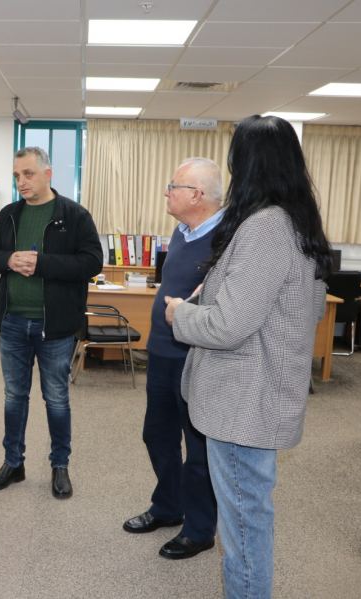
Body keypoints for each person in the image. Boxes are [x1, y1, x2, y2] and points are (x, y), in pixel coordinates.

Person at [166, 115, 331, 598]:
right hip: (258, 395)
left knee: (243, 525)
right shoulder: (296, 221)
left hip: (244, 403)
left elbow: (226, 326)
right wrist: (217, 292)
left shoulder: (266, 227)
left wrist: (180, 314)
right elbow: (307, 305)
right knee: (248, 515)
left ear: (248, 163)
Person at [0, 146, 103, 499]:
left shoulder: (74, 215)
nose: (21, 181)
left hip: (55, 327)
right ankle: (13, 463)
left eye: (28, 174)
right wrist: (8, 259)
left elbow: (92, 262)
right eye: (17, 175)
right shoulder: (9, 214)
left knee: (57, 399)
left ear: (48, 174)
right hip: (13, 323)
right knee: (14, 397)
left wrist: (42, 264)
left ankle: (59, 465)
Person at [123, 158, 223, 560]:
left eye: (173, 186)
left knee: (197, 449)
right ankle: (168, 506)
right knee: (157, 434)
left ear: (196, 195)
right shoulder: (182, 230)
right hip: (163, 351)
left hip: (196, 358)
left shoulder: (227, 239)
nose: (166, 192)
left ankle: (199, 530)